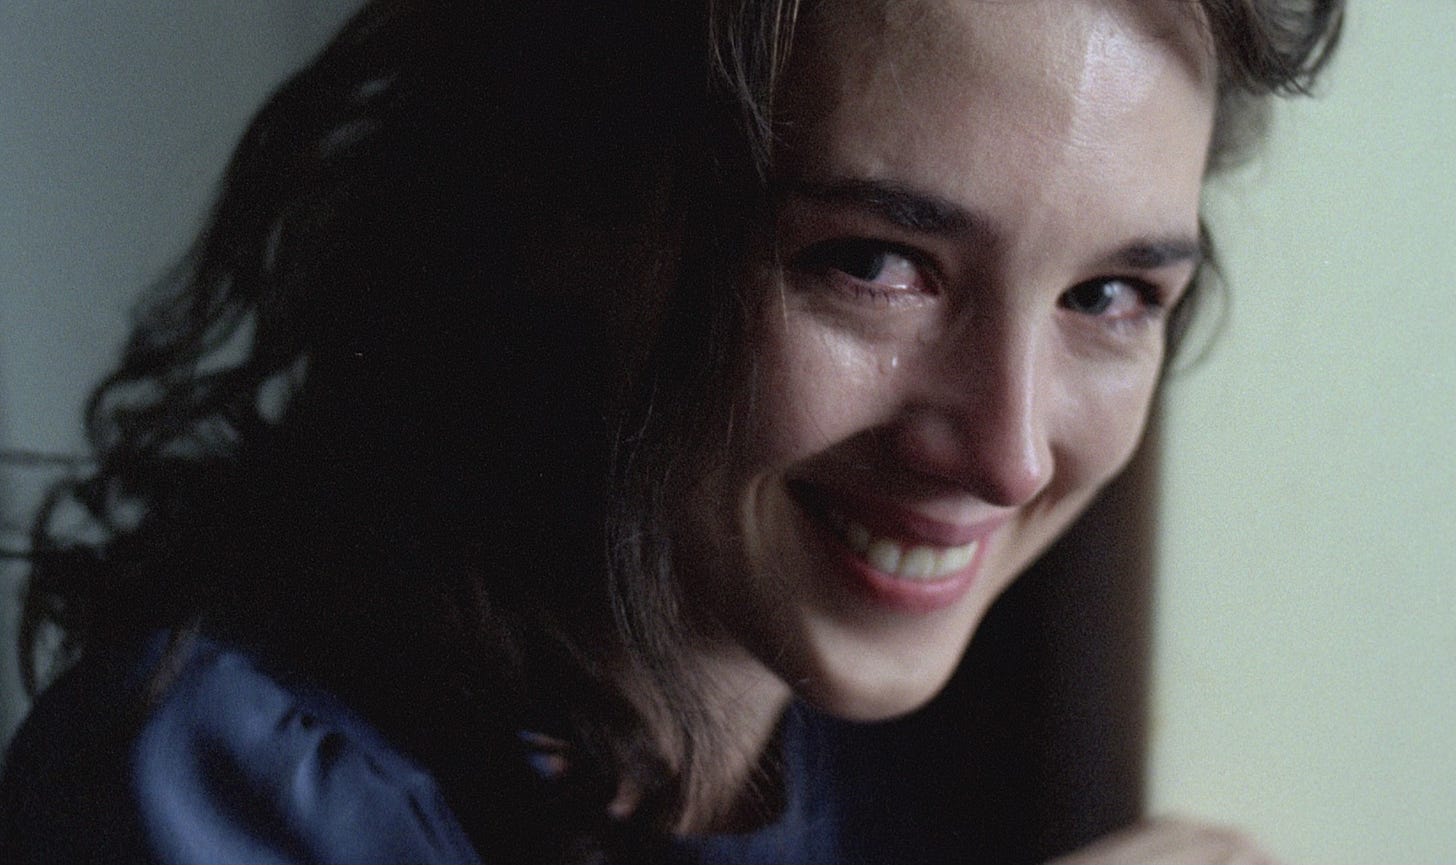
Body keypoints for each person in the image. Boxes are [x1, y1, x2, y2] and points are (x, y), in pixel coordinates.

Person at [0, 0, 1342, 862]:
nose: (1011, 453)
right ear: (566, 200)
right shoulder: (209, 791)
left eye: (1109, 296)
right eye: (874, 263)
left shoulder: (917, 744)